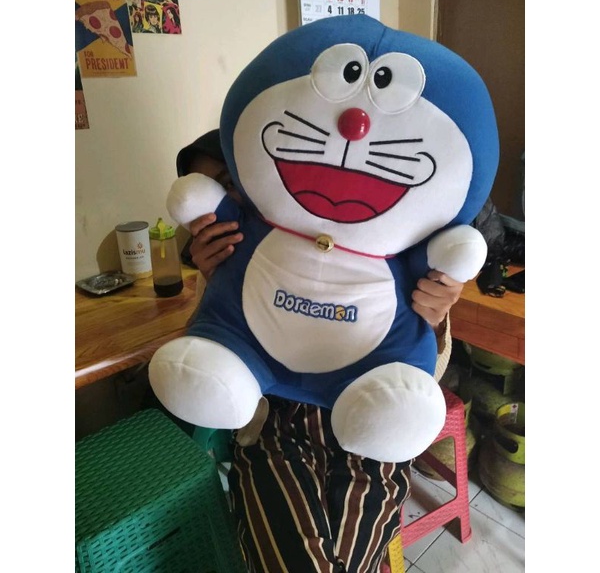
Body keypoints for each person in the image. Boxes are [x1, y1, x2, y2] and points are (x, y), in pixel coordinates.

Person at [176, 130, 464, 573]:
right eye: (210, 189)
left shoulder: (378, 245)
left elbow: (431, 372)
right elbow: (205, 361)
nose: (221, 203)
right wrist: (217, 284)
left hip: (370, 428)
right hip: (275, 426)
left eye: (229, 182)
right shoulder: (230, 261)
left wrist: (435, 317)